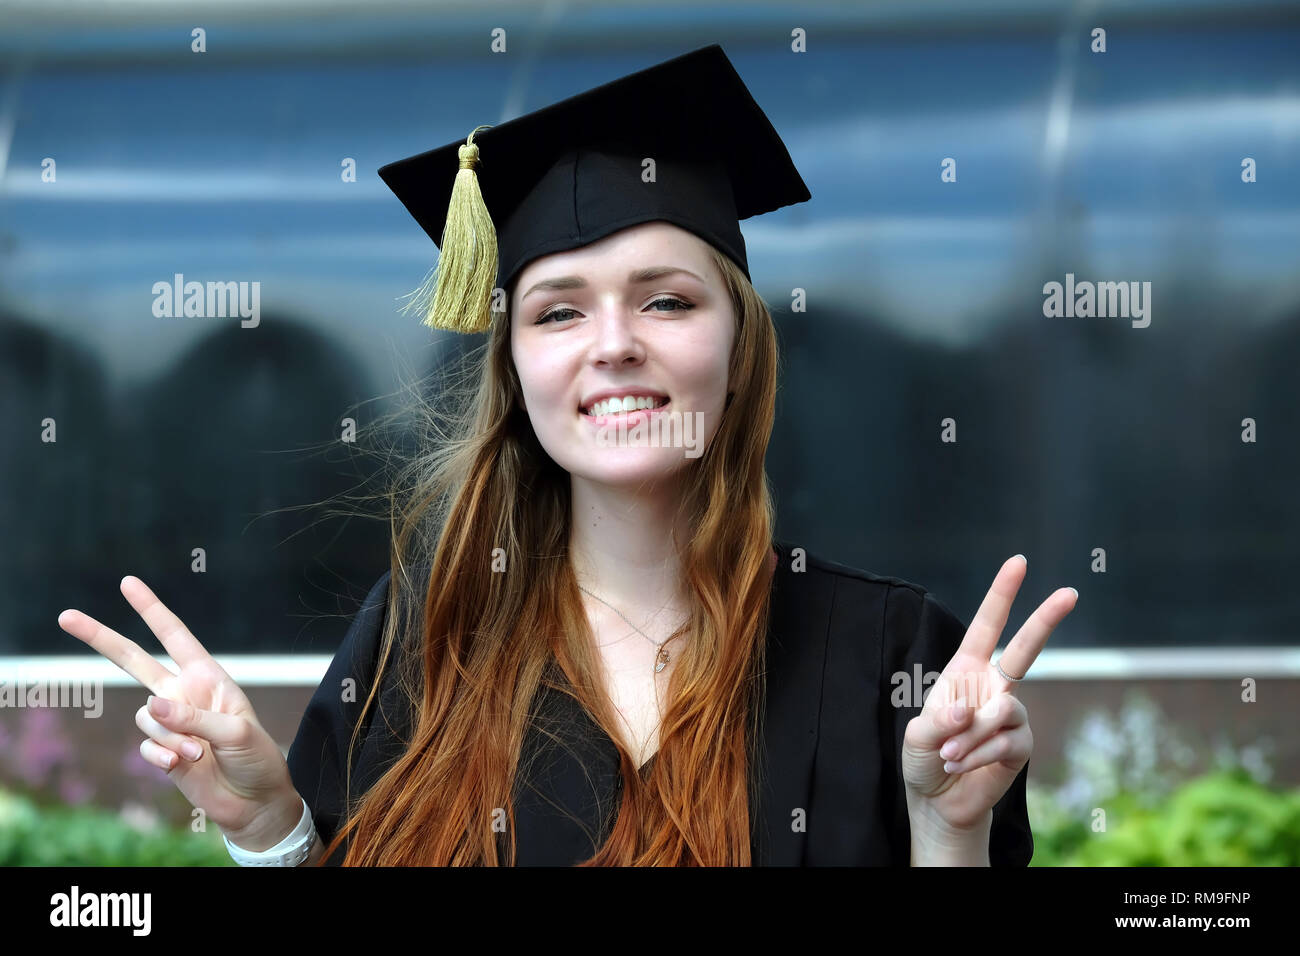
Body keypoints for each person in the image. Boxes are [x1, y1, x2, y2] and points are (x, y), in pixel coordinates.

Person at [57, 44, 1077, 866]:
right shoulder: (420, 642)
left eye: (667, 299)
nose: (613, 342)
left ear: (740, 350)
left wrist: (949, 833)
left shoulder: (893, 656)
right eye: (557, 311)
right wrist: (270, 827)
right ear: (516, 368)